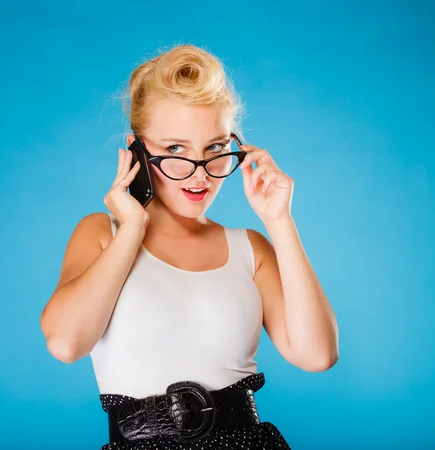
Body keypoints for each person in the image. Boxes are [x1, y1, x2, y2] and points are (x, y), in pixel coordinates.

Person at [40, 44, 339, 449]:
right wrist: (131, 230)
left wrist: (278, 220)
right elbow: (65, 343)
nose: (199, 175)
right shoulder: (102, 234)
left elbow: (317, 354)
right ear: (137, 150)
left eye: (215, 148)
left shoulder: (250, 249)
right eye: (176, 150)